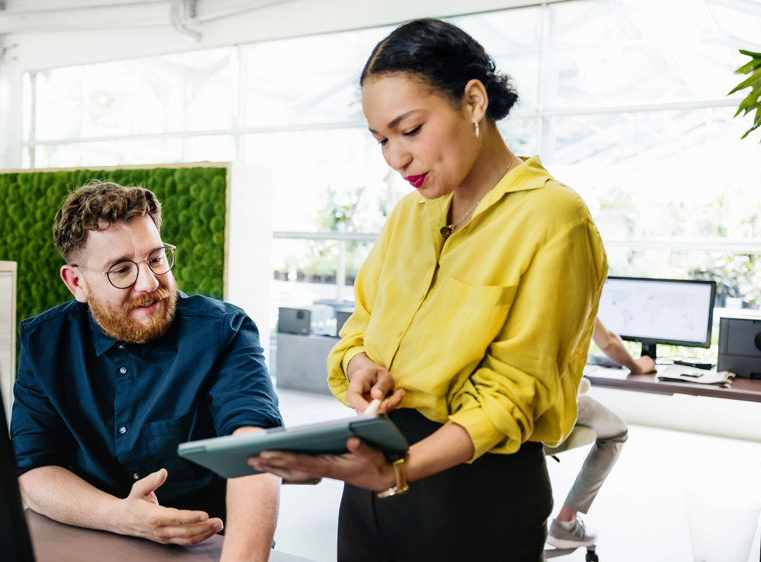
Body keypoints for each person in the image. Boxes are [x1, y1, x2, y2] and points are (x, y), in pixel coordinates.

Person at [248, 18, 608, 560]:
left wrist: (398, 470)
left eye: (410, 129)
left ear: (472, 102)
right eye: (381, 140)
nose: (396, 158)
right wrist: (359, 367)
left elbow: (515, 393)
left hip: (475, 497)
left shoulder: (554, 218)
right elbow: (360, 328)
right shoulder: (409, 216)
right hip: (371, 486)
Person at [10, 181, 283, 562]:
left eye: (155, 258)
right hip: (85, 532)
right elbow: (34, 466)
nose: (149, 282)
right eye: (121, 270)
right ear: (77, 283)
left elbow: (255, 450)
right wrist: (120, 516)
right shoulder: (46, 343)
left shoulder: (223, 331)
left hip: (206, 543)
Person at [546, 318, 654, 549]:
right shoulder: (574, 285)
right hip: (552, 404)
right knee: (618, 431)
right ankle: (566, 522)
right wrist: (637, 366)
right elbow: (608, 343)